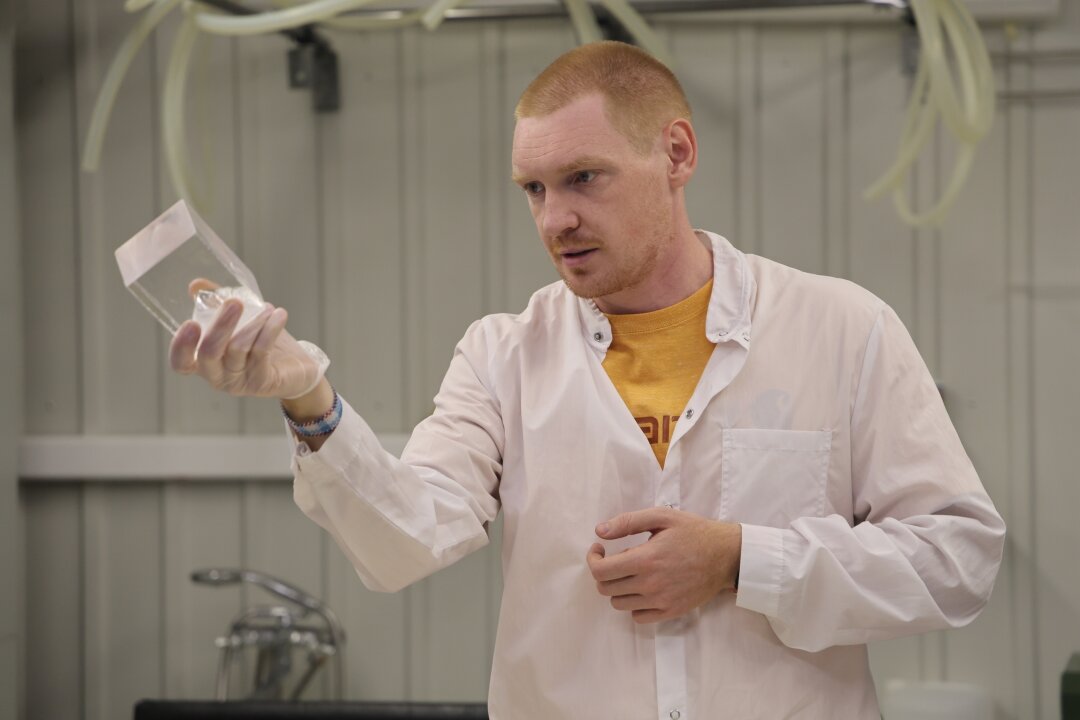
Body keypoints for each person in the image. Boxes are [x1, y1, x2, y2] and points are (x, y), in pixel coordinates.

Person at [170, 41, 1006, 719]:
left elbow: (957, 558)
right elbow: (403, 543)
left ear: (676, 153)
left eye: (583, 178)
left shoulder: (841, 329)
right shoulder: (503, 356)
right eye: (533, 189)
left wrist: (744, 560)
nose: (554, 219)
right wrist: (306, 394)